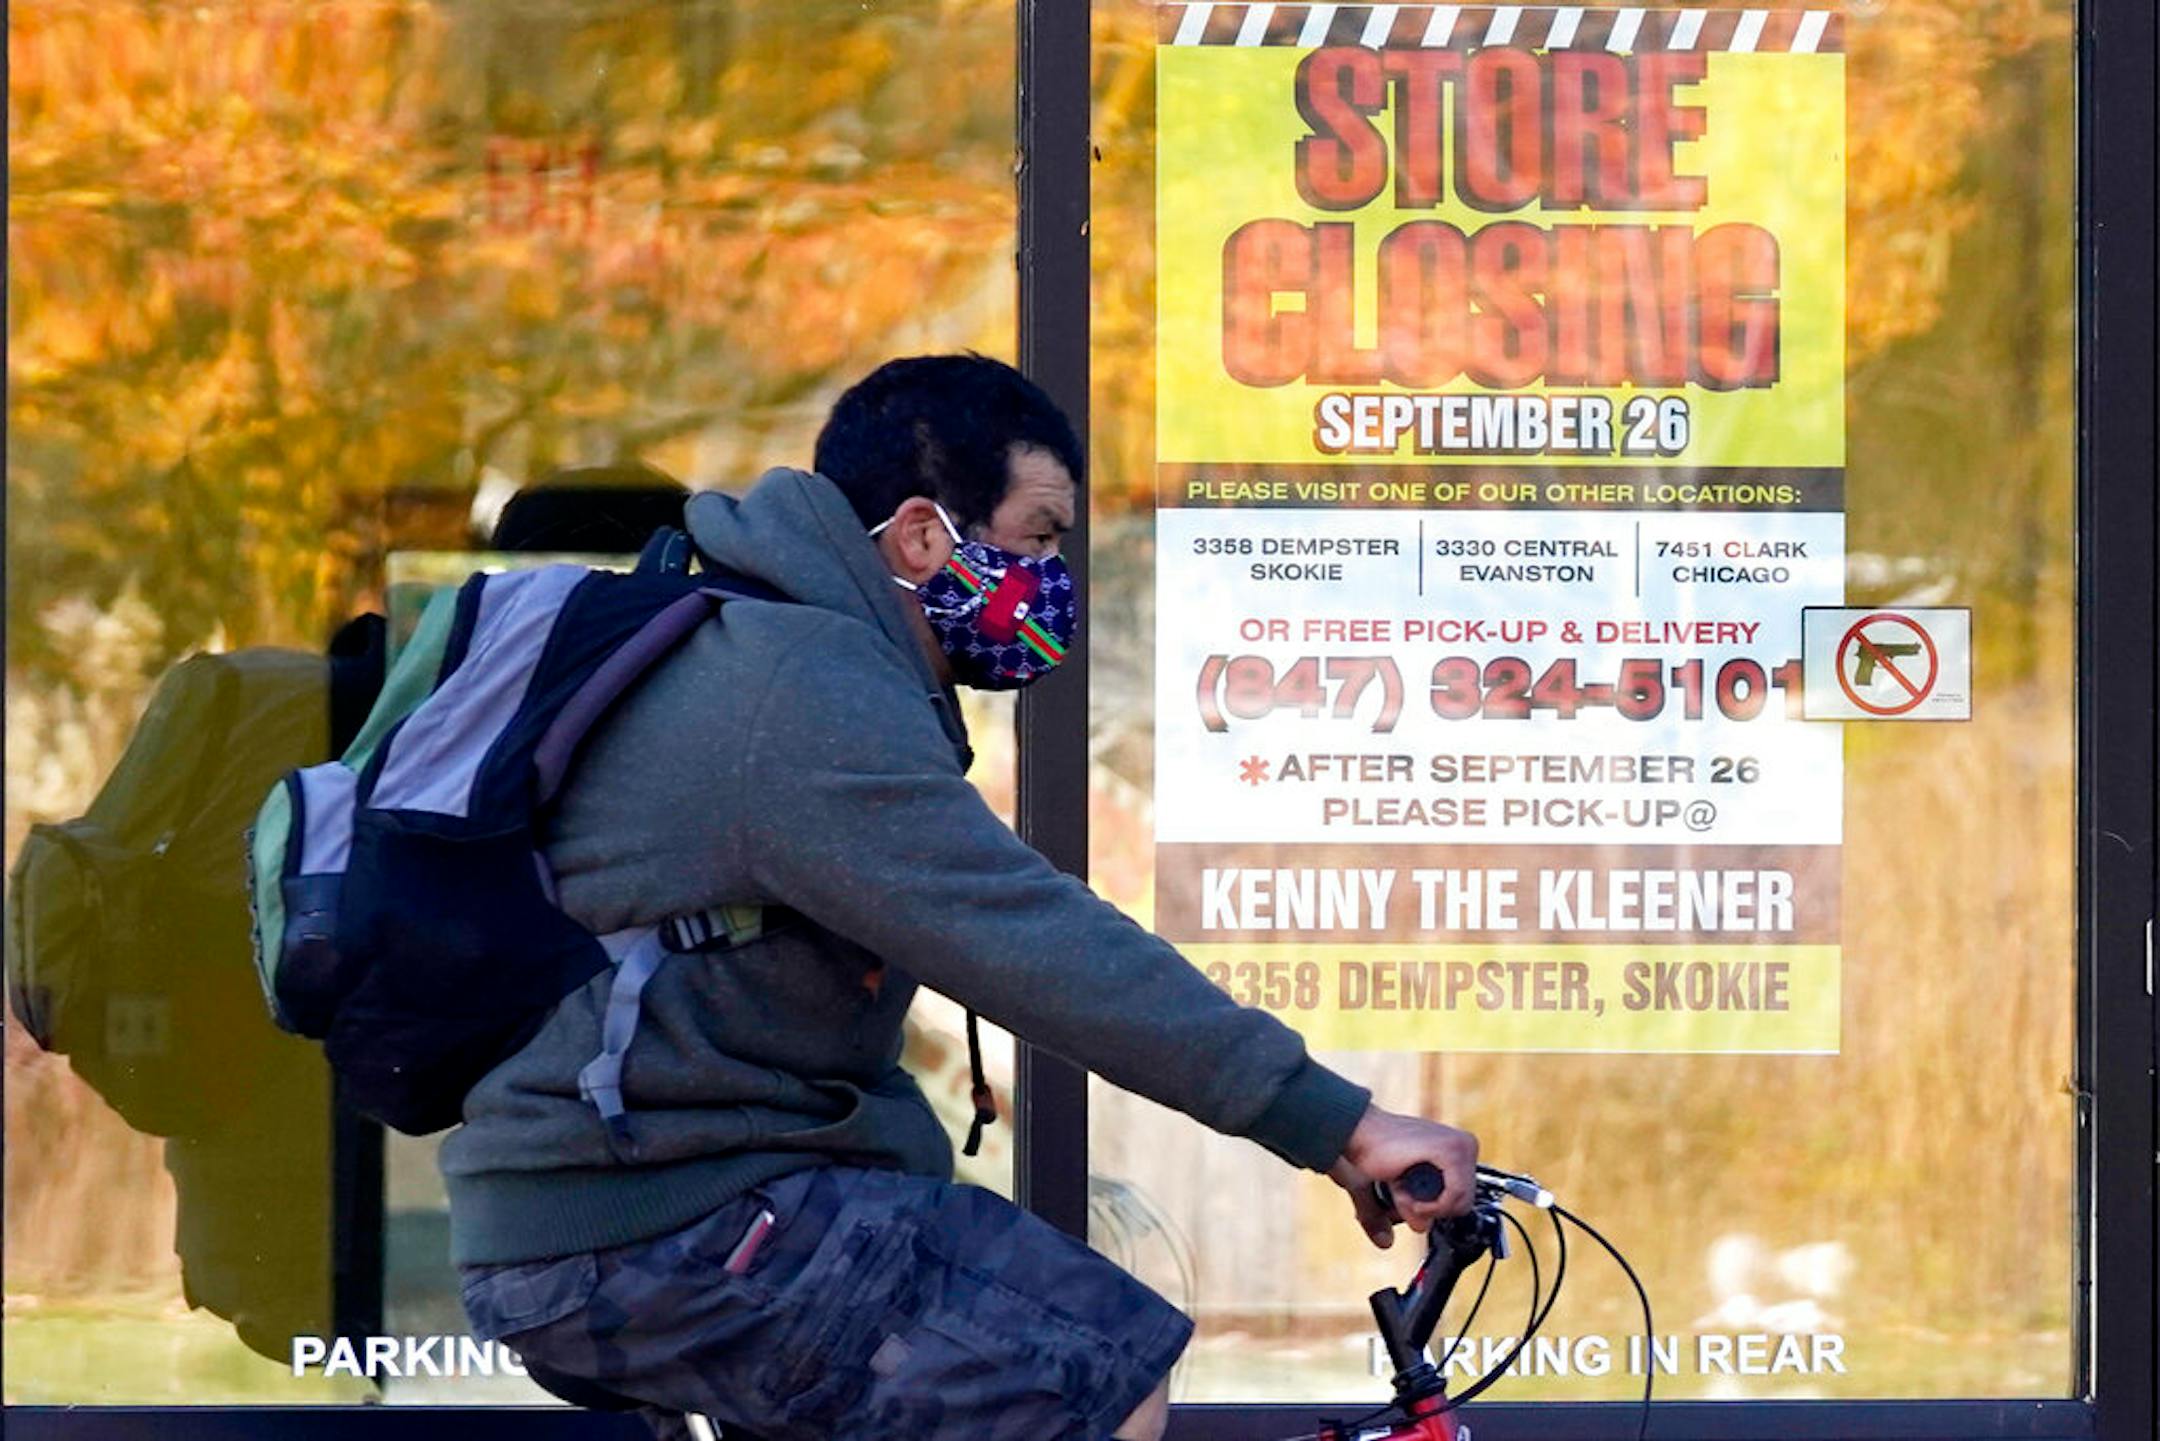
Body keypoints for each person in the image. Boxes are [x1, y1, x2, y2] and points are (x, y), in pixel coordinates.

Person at [449, 354, 1479, 1441]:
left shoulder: (791, 647)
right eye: (1035, 537)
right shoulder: (800, 691)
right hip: (651, 1218)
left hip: (676, 1193)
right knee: (1087, 1369)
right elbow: (1029, 939)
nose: (1050, 573)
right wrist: (1338, 1123)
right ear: (922, 536)